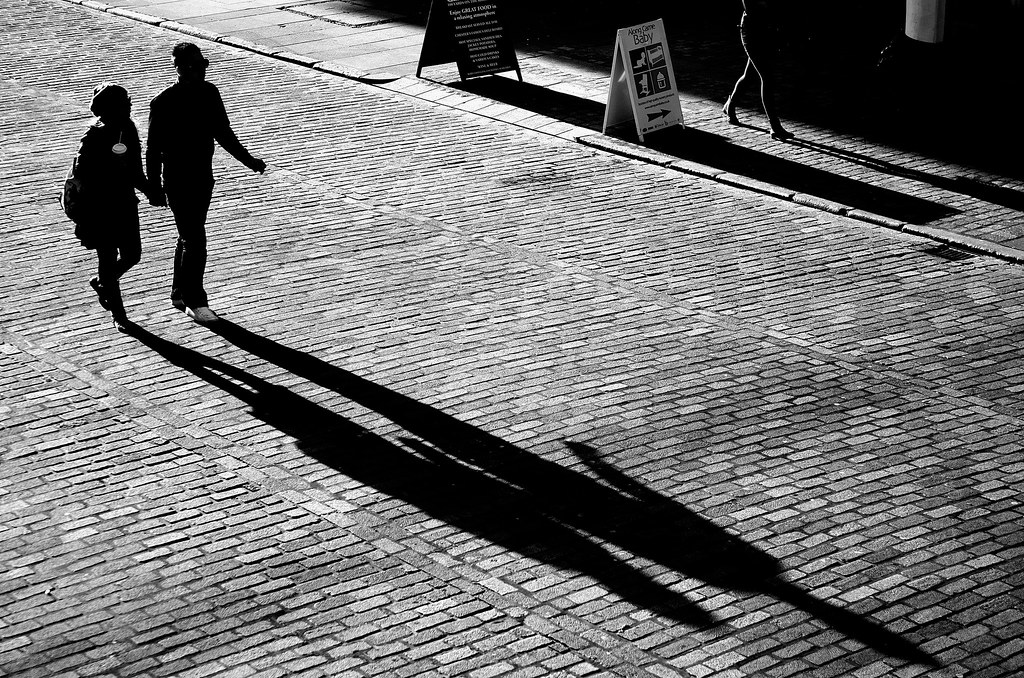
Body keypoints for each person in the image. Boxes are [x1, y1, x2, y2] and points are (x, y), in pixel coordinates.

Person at [146, 42, 267, 324]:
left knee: (189, 236)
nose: (193, 71)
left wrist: (249, 160)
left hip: (203, 178)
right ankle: (195, 300)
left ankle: (179, 293)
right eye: (186, 66)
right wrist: (154, 186)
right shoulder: (163, 101)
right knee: (195, 239)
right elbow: (152, 148)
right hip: (177, 179)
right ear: (176, 68)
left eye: (198, 65)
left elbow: (222, 132)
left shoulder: (210, 93)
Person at [76, 82, 152, 331]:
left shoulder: (128, 129)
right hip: (101, 208)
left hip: (125, 203)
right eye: (124, 102)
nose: (130, 105)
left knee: (133, 255)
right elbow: (82, 175)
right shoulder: (93, 136)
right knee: (107, 258)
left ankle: (103, 283)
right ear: (109, 108)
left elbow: (135, 170)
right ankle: (119, 315)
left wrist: (152, 191)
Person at [723, 0, 794, 141]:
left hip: (766, 30)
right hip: (753, 31)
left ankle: (730, 105)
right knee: (767, 78)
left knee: (749, 76)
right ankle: (774, 125)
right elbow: (750, 7)